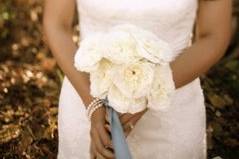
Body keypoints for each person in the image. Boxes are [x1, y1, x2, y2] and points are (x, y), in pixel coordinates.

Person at [43, 0, 232, 158]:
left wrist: (150, 90)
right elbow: (56, 23)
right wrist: (93, 105)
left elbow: (214, 36)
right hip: (85, 96)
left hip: (172, 108)